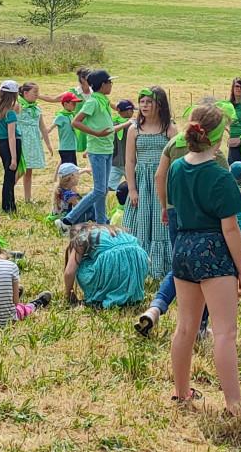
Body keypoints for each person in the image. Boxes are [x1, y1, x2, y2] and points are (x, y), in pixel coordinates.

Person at [165, 104, 241, 415]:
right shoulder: (220, 174)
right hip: (213, 251)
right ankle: (234, 405)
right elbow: (231, 228)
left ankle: (180, 392)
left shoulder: (177, 168)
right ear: (216, 139)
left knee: (185, 327)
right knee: (225, 332)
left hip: (183, 248)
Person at [124, 86, 175, 284]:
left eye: (149, 102)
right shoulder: (134, 129)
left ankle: (161, 266)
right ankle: (139, 263)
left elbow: (176, 159)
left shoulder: (169, 129)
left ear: (159, 104)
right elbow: (130, 162)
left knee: (161, 225)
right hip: (142, 183)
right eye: (142, 101)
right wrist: (132, 188)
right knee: (140, 223)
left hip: (162, 182)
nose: (144, 105)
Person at [0, 230, 50, 325]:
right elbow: (15, 302)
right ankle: (36, 304)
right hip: (7, 320)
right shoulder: (11, 266)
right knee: (21, 308)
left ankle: (8, 292)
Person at [70, 69, 122, 217]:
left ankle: (101, 221)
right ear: (102, 85)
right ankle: (69, 219)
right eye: (110, 82)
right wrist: (96, 133)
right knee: (99, 190)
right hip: (97, 150)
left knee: (103, 189)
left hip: (107, 149)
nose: (112, 85)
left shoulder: (103, 100)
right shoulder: (93, 102)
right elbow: (76, 122)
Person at [61, 222, 149, 308]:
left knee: (80, 263)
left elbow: (69, 272)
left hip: (113, 263)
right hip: (140, 258)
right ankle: (128, 295)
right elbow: (148, 261)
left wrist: (69, 295)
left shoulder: (82, 236)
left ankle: (100, 295)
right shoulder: (115, 230)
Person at [11, 82, 51, 210]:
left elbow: (43, 128)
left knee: (29, 171)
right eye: (35, 93)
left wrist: (48, 144)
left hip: (33, 142)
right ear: (25, 93)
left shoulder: (37, 108)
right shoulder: (18, 106)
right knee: (21, 169)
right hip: (23, 140)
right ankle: (8, 193)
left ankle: (27, 198)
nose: (37, 95)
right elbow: (4, 110)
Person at [0, 80, 22, 211]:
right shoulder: (10, 113)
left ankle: (8, 204)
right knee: (10, 177)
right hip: (12, 145)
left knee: (8, 176)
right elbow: (12, 136)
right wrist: (13, 157)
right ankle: (9, 205)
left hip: (1, 145)